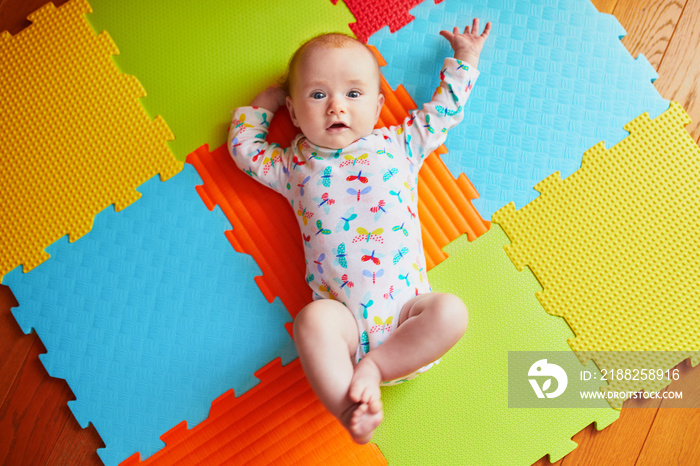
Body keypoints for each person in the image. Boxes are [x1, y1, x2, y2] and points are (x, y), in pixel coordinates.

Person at [228, 18, 491, 444]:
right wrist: (268, 99)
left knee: (452, 311)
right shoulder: (293, 165)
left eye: (353, 94)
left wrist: (466, 58)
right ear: (294, 112)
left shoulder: (401, 144)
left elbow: (445, 111)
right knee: (311, 320)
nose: (336, 106)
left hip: (411, 318)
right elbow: (245, 148)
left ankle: (377, 368)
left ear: (377, 105)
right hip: (342, 330)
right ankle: (348, 405)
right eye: (318, 95)